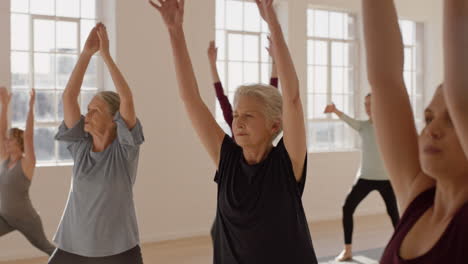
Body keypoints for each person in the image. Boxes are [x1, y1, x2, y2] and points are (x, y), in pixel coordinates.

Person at [149, 0, 317, 262]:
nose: (238, 122)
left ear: (275, 125)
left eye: (248, 116)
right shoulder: (226, 157)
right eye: (237, 114)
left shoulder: (287, 163)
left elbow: (293, 99)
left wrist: (273, 22)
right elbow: (191, 98)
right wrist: (175, 31)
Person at [361, 0, 468, 262]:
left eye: (452, 120)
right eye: (428, 118)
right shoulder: (418, 198)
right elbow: (385, 81)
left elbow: (460, 97)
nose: (431, 130)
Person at [48, 23, 144, 263]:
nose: (87, 115)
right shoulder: (81, 147)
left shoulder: (124, 152)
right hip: (73, 245)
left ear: (114, 120)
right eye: (88, 109)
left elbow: (126, 98)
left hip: (118, 249)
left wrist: (106, 56)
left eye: (95, 111)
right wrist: (86, 54)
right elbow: (69, 97)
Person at [323, 95, 399, 261]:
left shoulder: (389, 126)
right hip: (365, 178)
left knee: (394, 214)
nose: (367, 107)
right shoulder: (364, 126)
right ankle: (347, 250)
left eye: (370, 104)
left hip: (386, 179)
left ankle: (401, 247)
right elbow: (349, 120)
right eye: (365, 104)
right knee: (347, 208)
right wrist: (335, 110)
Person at [0, 87, 55, 256]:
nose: (7, 143)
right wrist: (4, 105)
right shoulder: (4, 159)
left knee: (47, 248)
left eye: (11, 140)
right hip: (5, 217)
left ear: (20, 143)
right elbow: (1, 132)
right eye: (7, 140)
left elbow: (29, 135)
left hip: (27, 220)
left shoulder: (27, 163)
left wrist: (31, 107)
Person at [207, 40, 279, 131]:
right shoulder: (233, 120)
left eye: (249, 115)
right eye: (236, 115)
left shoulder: (266, 120)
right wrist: (212, 64)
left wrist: (275, 60)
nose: (240, 121)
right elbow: (220, 96)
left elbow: (272, 93)